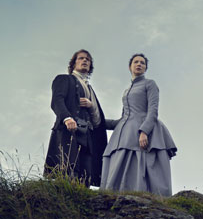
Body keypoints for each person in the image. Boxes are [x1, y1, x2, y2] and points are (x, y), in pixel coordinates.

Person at [101, 53, 177, 196]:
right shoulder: (126, 91)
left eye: (142, 63)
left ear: (145, 68)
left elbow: (153, 111)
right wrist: (99, 122)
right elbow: (123, 118)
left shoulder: (150, 84)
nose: (139, 64)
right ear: (130, 67)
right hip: (125, 133)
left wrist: (144, 132)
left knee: (143, 164)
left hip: (143, 130)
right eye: (136, 62)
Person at [44, 49, 108, 185]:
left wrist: (91, 105)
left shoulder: (90, 90)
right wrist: (67, 118)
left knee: (86, 172)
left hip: (87, 134)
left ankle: (82, 199)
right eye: (81, 58)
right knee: (67, 168)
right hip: (69, 130)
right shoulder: (64, 79)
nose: (84, 60)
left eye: (87, 59)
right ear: (73, 63)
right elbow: (57, 100)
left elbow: (98, 121)